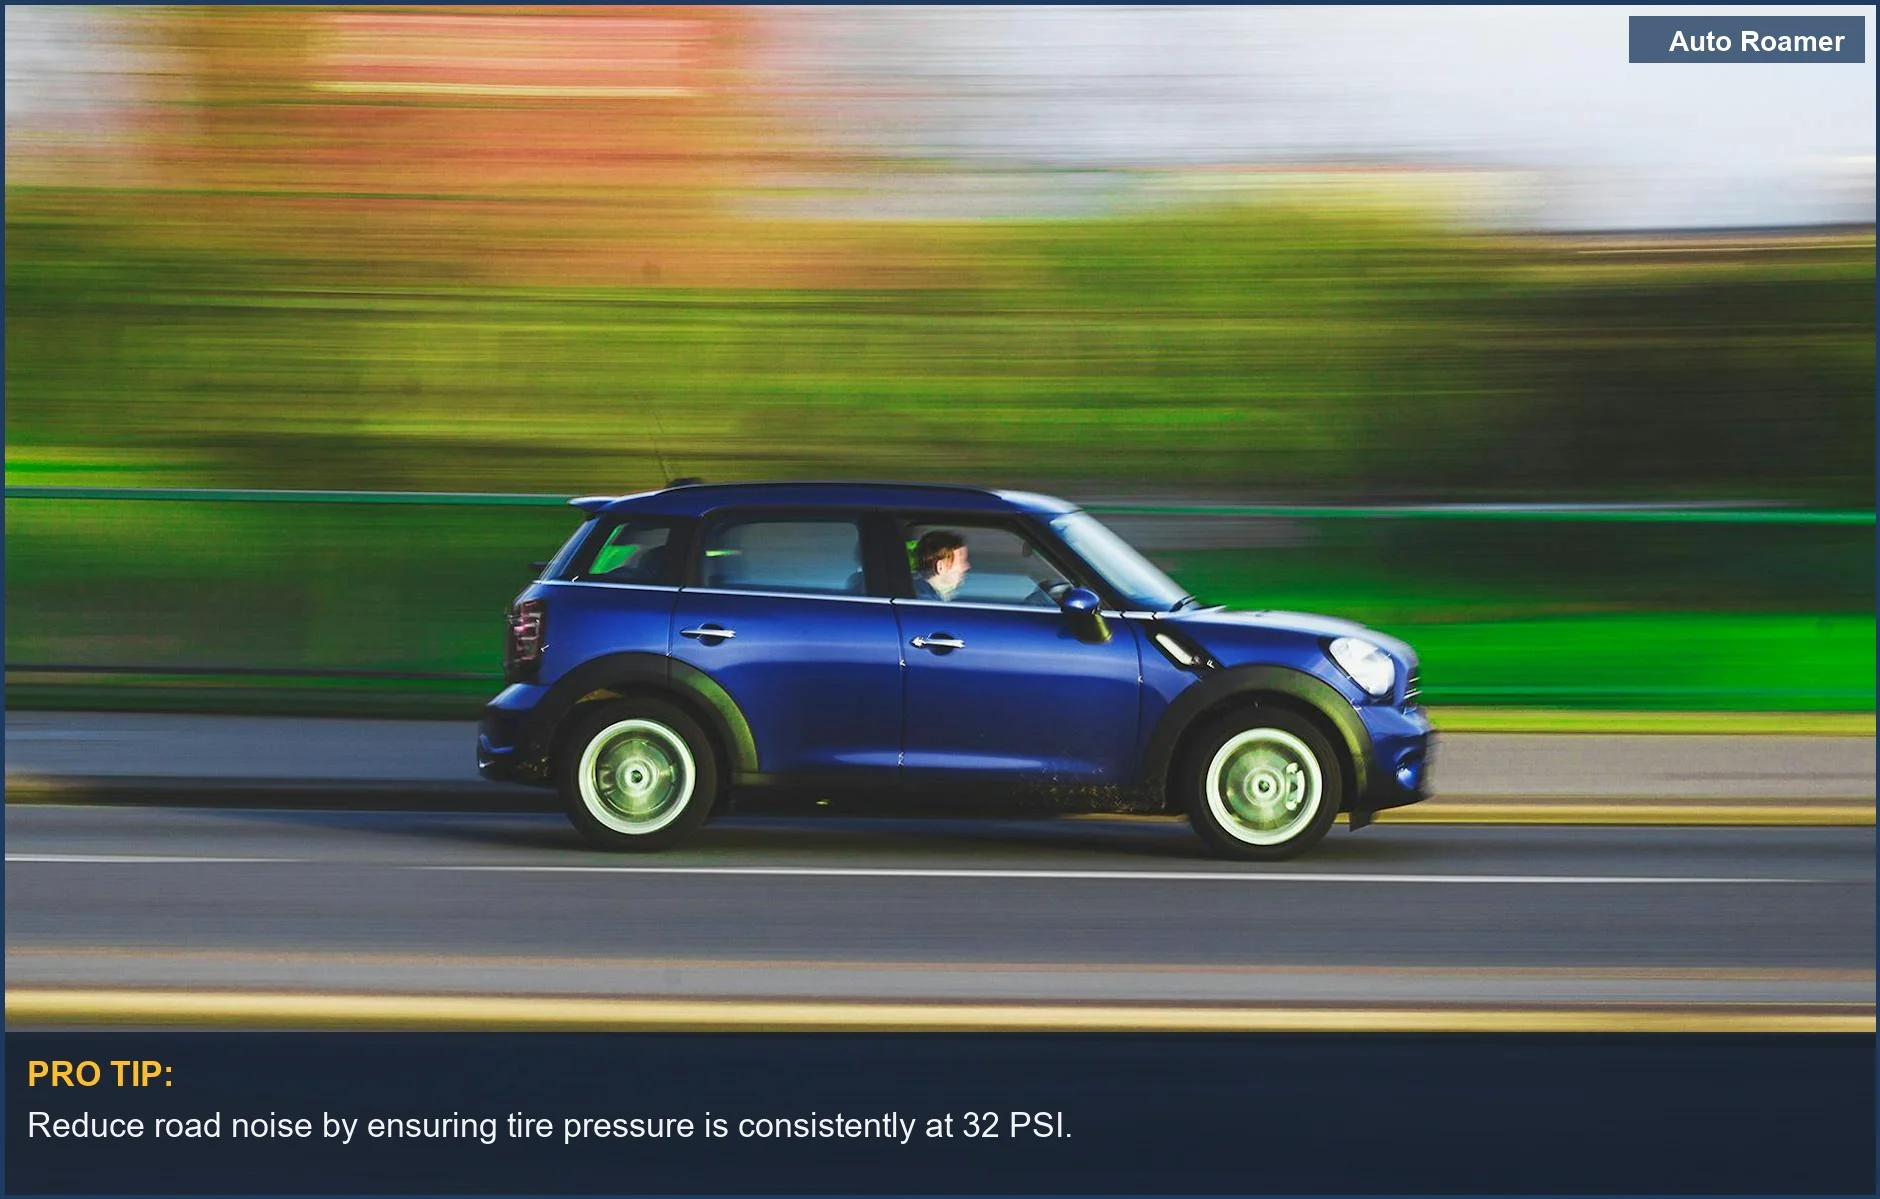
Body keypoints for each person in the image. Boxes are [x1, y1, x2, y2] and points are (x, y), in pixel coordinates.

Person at [911, 529, 969, 601]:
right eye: (961, 561)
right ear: (940, 567)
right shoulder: (926, 602)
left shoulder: (914, 591)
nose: (966, 567)